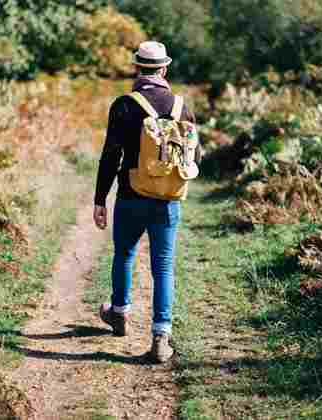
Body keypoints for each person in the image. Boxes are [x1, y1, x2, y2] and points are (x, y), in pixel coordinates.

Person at [93, 41, 197, 363]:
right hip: (168, 200)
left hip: (130, 195)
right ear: (164, 69)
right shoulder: (182, 106)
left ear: (137, 68)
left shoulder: (124, 105)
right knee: (163, 265)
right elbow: (196, 157)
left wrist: (100, 199)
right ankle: (160, 336)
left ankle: (119, 314)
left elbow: (111, 155)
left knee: (124, 253)